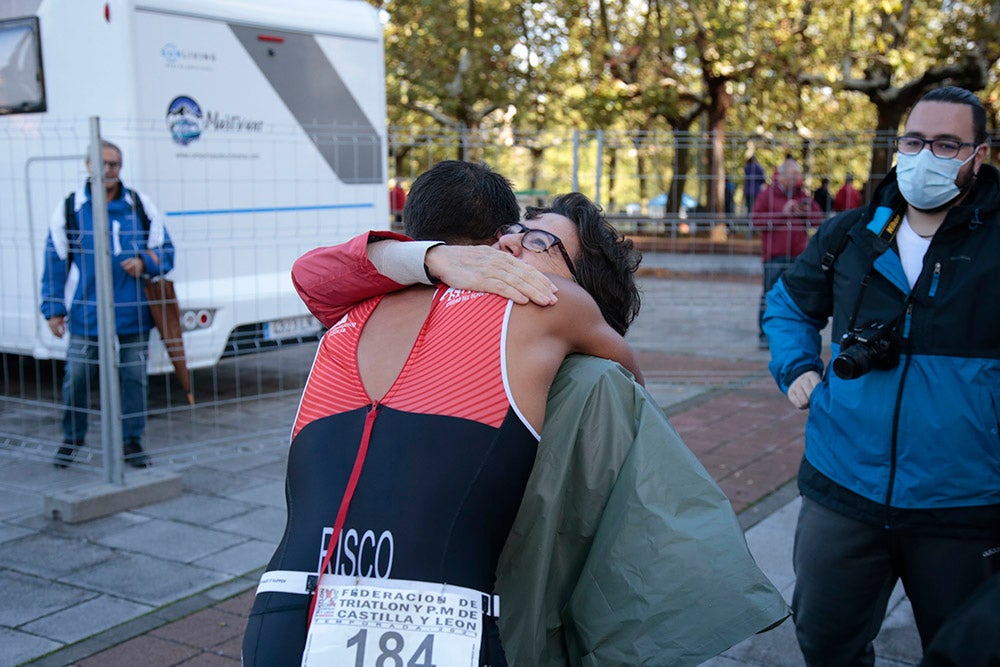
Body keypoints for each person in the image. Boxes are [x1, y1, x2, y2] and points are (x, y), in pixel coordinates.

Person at [267, 164, 790, 665]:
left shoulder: (541, 312)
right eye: (512, 230)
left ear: (578, 286)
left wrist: (429, 260)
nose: (511, 243)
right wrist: (435, 259)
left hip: (294, 612)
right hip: (424, 619)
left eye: (540, 242)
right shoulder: (401, 305)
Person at [763, 86, 1000, 665]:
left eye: (948, 144)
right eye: (916, 141)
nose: (926, 157)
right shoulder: (852, 234)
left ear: (980, 153)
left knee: (965, 653)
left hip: (963, 502)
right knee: (824, 641)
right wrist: (797, 366)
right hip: (842, 487)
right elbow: (789, 305)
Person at [40, 140, 175, 469]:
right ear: (88, 165)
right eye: (102, 163)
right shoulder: (71, 207)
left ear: (121, 168)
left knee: (134, 379)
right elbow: (54, 261)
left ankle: (132, 441)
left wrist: (145, 262)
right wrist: (53, 309)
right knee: (77, 378)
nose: (108, 170)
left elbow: (167, 252)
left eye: (114, 164)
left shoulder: (139, 205)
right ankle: (72, 439)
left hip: (133, 314)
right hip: (87, 313)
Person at [751, 156, 823, 348]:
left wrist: (805, 213)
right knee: (769, 295)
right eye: (792, 175)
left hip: (799, 256)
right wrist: (782, 213)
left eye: (797, 175)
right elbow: (756, 221)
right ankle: (764, 335)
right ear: (781, 176)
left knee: (798, 296)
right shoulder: (767, 195)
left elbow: (818, 219)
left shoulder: (803, 196)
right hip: (774, 256)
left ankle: (796, 334)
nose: (796, 179)